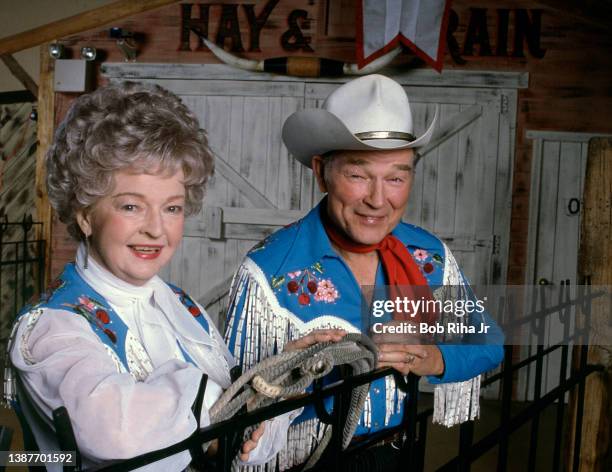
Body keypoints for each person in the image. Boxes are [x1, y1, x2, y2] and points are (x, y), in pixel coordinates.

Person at [4, 82, 316, 471]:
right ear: (85, 213)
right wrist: (229, 412)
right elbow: (116, 433)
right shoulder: (53, 326)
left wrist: (278, 378)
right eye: (132, 206)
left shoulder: (183, 307)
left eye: (172, 208)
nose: (156, 229)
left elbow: (242, 432)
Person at [224, 74, 505, 470]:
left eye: (396, 177)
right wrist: (316, 371)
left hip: (398, 452)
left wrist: (430, 357)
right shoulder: (269, 272)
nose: (377, 199)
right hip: (304, 462)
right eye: (358, 175)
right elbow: (234, 412)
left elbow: (489, 344)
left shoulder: (429, 257)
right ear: (322, 172)